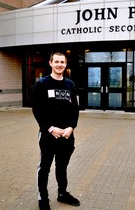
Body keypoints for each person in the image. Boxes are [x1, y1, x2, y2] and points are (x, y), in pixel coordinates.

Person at [32, 52, 80, 210]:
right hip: (48, 135)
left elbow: (75, 110)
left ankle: (62, 193)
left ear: (66, 64)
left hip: (66, 136)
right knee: (44, 167)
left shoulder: (70, 85)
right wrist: (50, 128)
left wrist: (71, 127)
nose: (59, 64)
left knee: (62, 167)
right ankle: (43, 197)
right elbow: (37, 110)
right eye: (56, 61)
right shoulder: (42, 84)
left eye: (62, 62)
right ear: (50, 63)